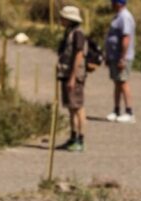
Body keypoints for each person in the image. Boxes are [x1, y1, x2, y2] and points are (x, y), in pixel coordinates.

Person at [56, 6, 87, 152]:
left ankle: (80, 139)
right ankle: (73, 137)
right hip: (67, 74)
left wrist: (73, 77)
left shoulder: (78, 34)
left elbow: (79, 55)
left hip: (74, 76)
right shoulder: (69, 33)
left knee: (77, 108)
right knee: (71, 108)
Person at [104, 0, 136, 123]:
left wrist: (122, 58)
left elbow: (126, 38)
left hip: (122, 57)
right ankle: (116, 110)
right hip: (114, 56)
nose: (111, 4)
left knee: (123, 82)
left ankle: (129, 111)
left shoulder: (125, 17)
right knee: (117, 82)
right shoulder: (117, 16)